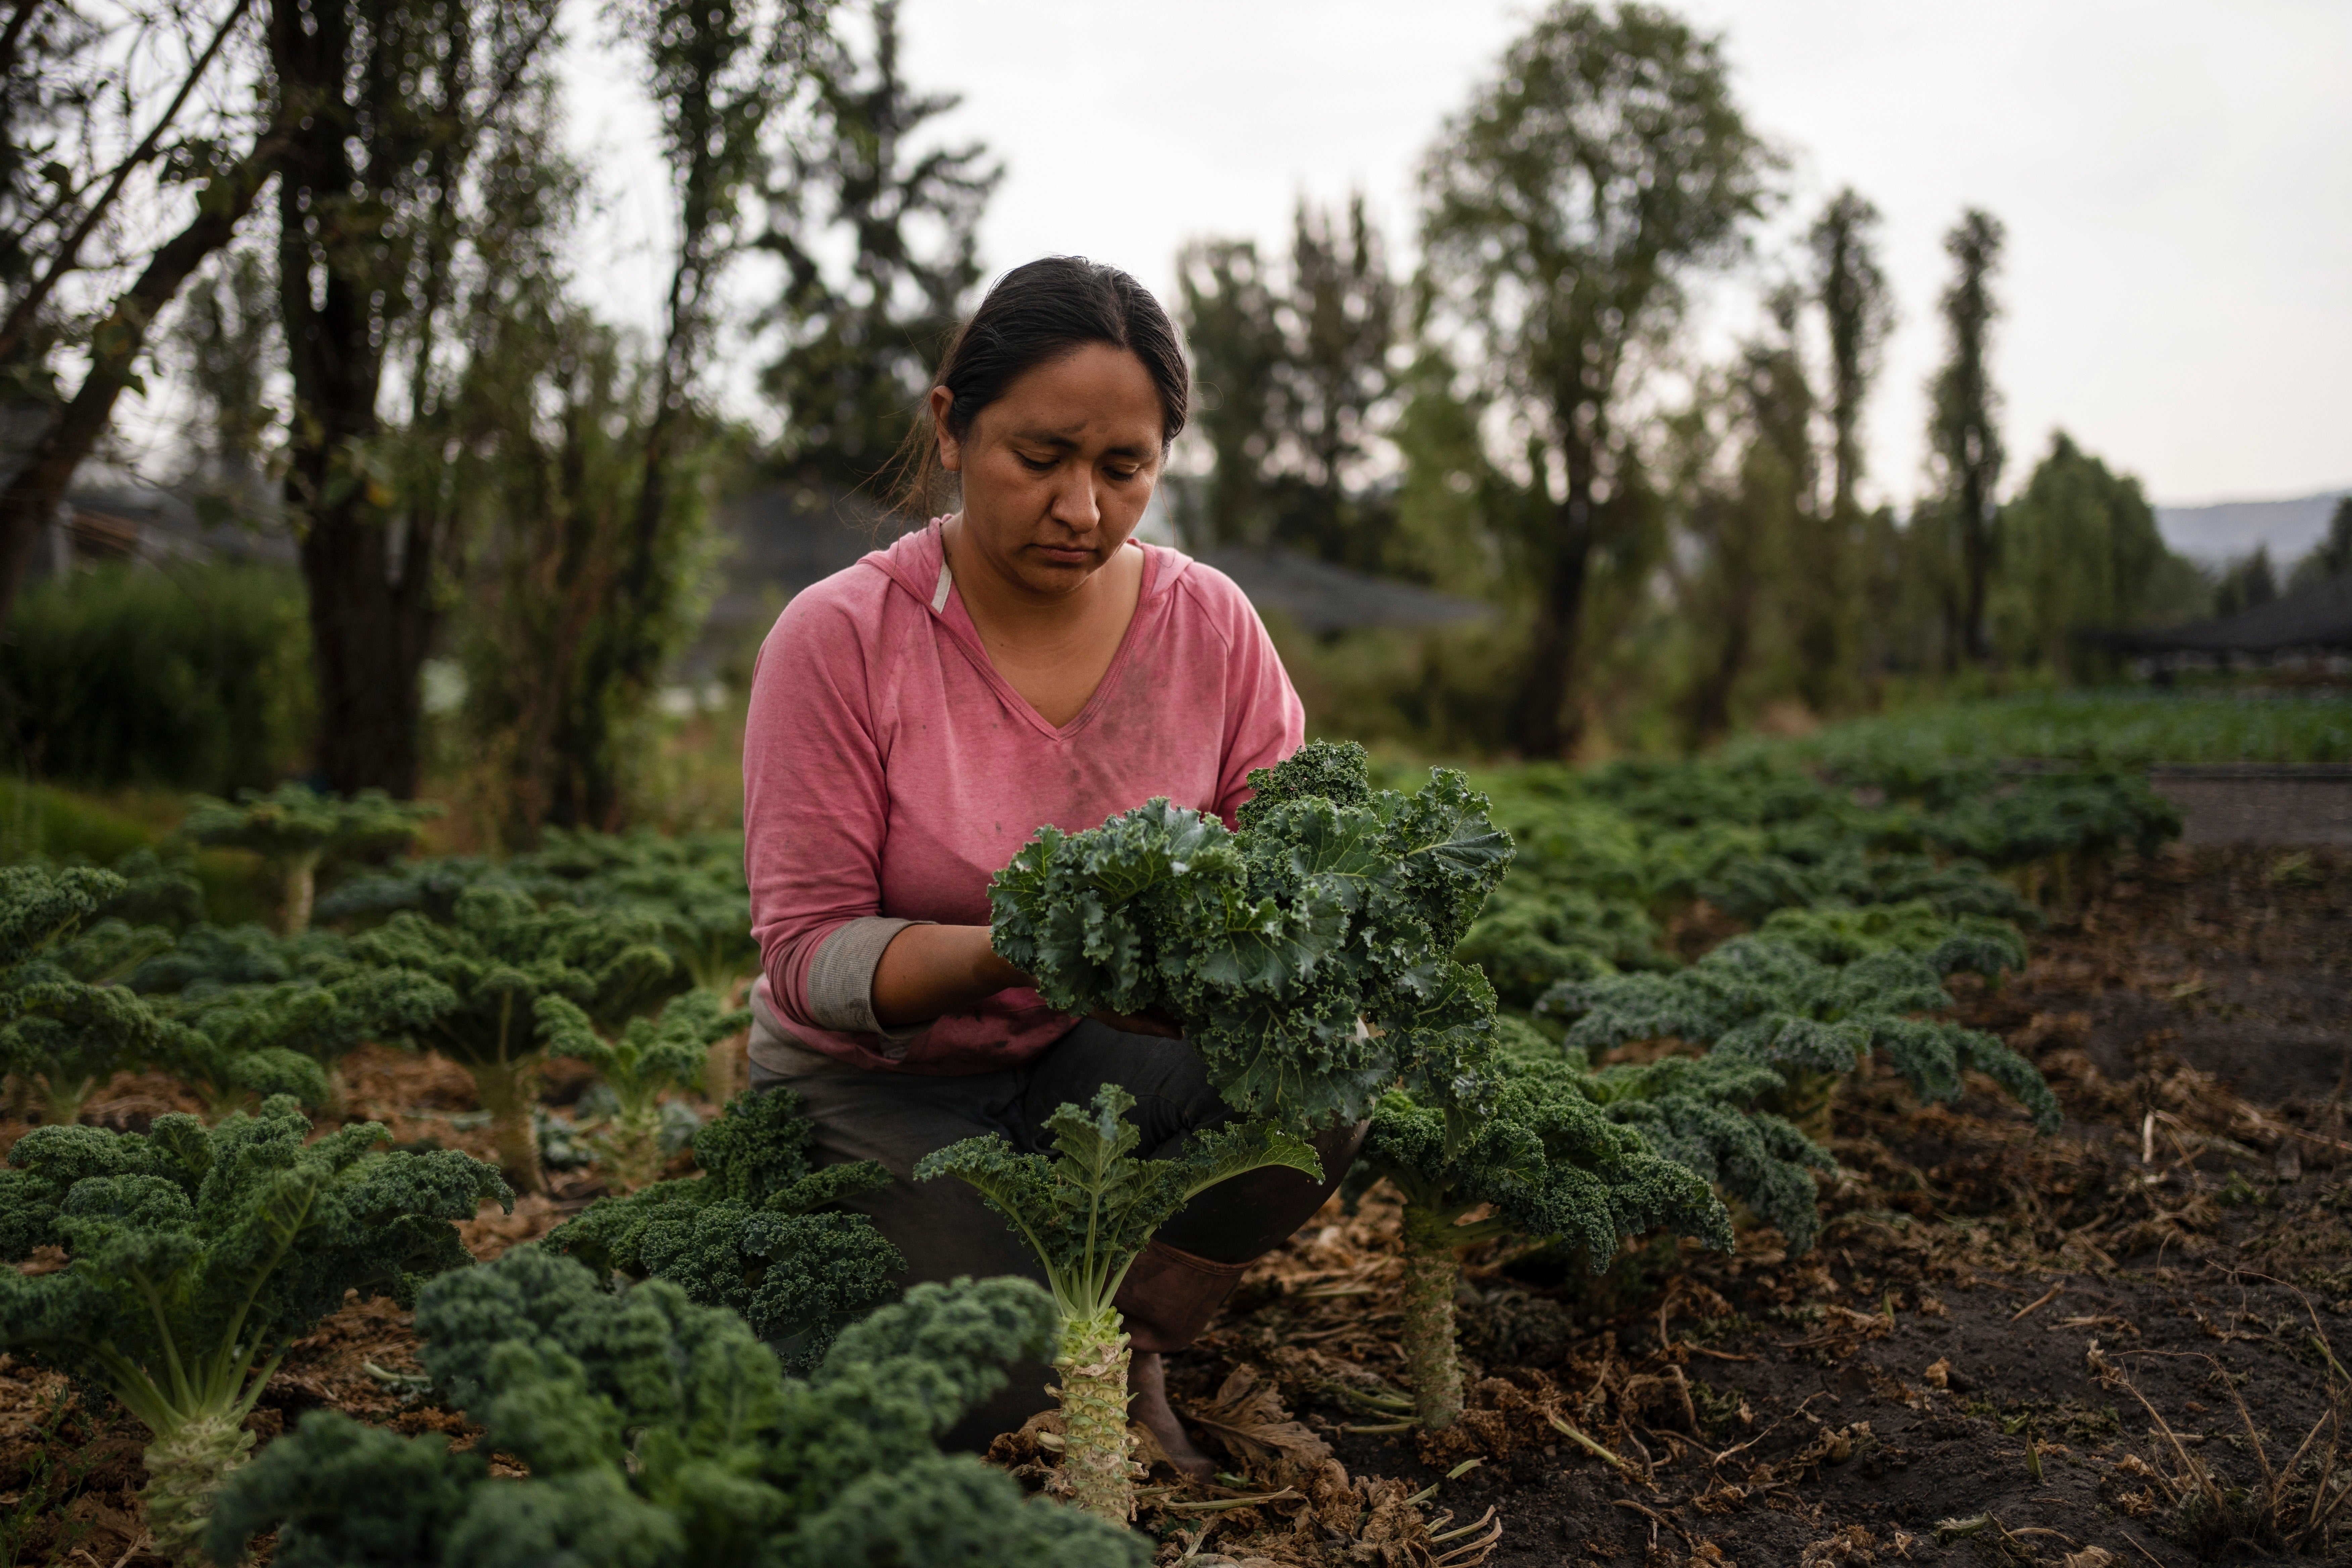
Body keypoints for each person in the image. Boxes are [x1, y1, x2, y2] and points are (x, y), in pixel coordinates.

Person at [740, 255, 1363, 1468]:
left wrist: (1255, 946)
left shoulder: (1210, 625)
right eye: (1040, 458)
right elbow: (809, 957)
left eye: (1124, 469)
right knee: (995, 1399)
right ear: (952, 429)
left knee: (1322, 1064)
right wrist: (1019, 948)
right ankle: (1042, 1326)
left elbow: (1287, 863)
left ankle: (1134, 1338)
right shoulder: (840, 638)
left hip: (1097, 1063)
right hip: (881, 1087)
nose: (1081, 508)